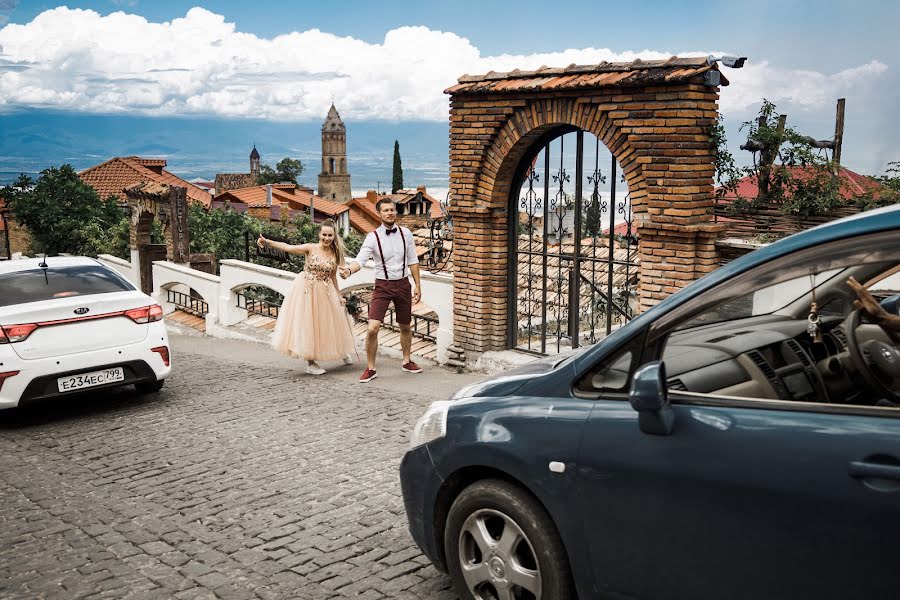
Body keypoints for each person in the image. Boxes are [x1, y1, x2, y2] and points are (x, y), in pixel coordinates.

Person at [339, 198, 423, 382]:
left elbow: (413, 260)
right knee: (373, 328)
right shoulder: (373, 237)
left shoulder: (406, 234)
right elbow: (360, 260)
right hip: (383, 286)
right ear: (380, 214)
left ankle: (407, 361)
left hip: (403, 284)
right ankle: (371, 368)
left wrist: (418, 285)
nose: (390, 213)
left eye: (392, 209)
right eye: (386, 210)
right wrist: (348, 270)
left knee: (405, 326)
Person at [258, 220, 356, 375]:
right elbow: (289, 248)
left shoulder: (335, 253)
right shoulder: (310, 248)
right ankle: (311, 363)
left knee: (331, 322)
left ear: (334, 236)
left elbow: (333, 277)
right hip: (307, 289)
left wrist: (339, 295)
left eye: (330, 235)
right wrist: (267, 242)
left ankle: (341, 350)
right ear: (319, 234)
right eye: (324, 234)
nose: (327, 238)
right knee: (309, 324)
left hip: (326, 289)